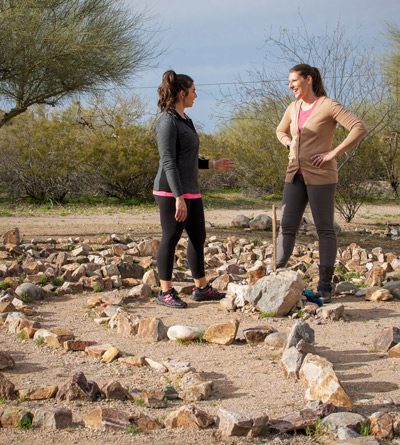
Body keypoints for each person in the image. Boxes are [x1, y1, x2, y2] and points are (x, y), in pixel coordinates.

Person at [276, 63, 368, 303]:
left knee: (324, 228)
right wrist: (289, 143)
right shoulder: (293, 107)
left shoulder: (328, 105)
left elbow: (359, 127)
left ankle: (325, 287)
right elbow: (280, 131)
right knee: (286, 225)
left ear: (308, 79)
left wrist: (333, 153)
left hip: (321, 175)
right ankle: (275, 276)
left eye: (294, 81)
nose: (290, 86)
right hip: (294, 173)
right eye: (289, 82)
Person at [154, 70, 234, 308]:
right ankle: (165, 292)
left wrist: (212, 164)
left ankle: (201, 288)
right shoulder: (167, 122)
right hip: (171, 191)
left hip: (190, 190)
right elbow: (168, 161)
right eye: (193, 91)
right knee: (171, 237)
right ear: (182, 93)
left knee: (198, 237)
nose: (196, 95)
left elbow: (187, 158)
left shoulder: (184, 120)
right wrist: (178, 197)